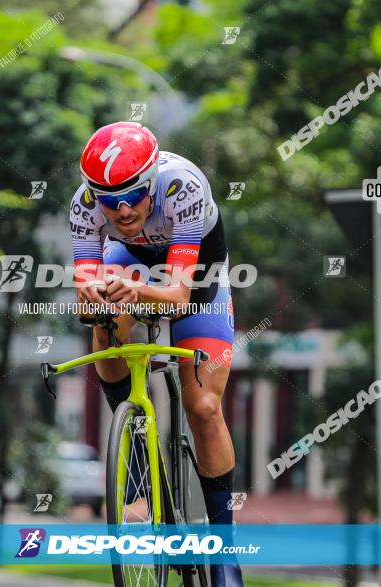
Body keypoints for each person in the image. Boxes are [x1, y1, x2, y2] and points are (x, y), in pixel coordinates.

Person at [69, 121, 242, 586]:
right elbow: (86, 291)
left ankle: (223, 549)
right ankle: (140, 462)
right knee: (103, 329)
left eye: (133, 197)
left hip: (197, 275)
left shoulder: (183, 187)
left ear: (152, 182)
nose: (122, 211)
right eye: (109, 201)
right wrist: (101, 297)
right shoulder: (84, 208)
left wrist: (136, 288)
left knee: (203, 406)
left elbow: (179, 296)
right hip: (129, 262)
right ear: (93, 195)